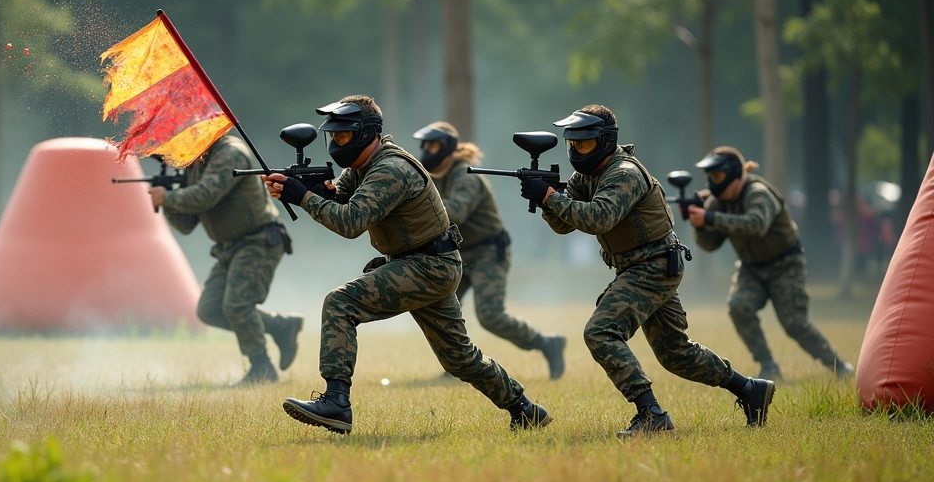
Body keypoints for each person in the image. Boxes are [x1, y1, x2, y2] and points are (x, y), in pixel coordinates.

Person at [262, 96, 551, 435]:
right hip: (427, 264)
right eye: (333, 138)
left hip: (429, 266)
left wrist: (304, 197)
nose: (336, 144)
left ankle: (336, 403)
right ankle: (526, 409)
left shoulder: (390, 169)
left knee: (340, 302)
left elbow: (350, 222)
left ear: (365, 134)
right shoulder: (363, 167)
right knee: (461, 359)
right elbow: (342, 199)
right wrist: (309, 189)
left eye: (342, 137)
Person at [522, 105, 773, 437]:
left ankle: (651, 414)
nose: (576, 151)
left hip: (653, 266)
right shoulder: (589, 175)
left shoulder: (623, 173)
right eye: (572, 144)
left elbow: (599, 218)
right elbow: (567, 226)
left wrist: (551, 197)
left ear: (604, 141)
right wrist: (546, 201)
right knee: (676, 353)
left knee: (600, 332)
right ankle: (752, 391)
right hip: (643, 265)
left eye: (583, 144)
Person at [413, 121, 566, 379]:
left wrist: (414, 202)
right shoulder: (435, 177)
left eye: (434, 145)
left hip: (487, 252)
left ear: (448, 148)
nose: (428, 150)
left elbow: (455, 212)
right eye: (425, 145)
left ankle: (546, 343)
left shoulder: (466, 175)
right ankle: (458, 366)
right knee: (441, 310)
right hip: (458, 254)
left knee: (490, 315)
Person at [686, 146, 854, 381]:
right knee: (738, 307)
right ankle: (768, 366)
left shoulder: (758, 192)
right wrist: (700, 225)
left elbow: (756, 224)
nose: (713, 184)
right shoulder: (718, 203)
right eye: (710, 178)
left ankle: (839, 367)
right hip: (751, 267)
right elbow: (710, 245)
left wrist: (710, 218)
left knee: (794, 323)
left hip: (785, 264)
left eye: (718, 176)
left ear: (734, 173)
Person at [151, 134, 303, 385]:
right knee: (209, 309)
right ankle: (280, 326)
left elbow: (205, 195)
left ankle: (262, 368)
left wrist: (167, 197)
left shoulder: (229, 152)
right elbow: (188, 225)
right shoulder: (196, 163)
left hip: (258, 240)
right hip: (229, 247)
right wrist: (168, 200)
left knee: (237, 305)